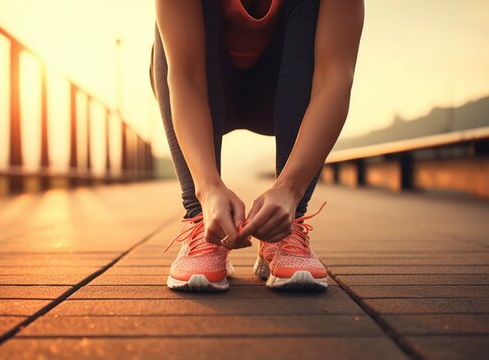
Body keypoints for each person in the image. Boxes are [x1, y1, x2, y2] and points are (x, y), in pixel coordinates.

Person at [150, 0, 363, 292]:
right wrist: (207, 189)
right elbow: (185, 76)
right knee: (168, 36)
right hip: (208, 88)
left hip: (282, 91)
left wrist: (290, 190)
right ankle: (201, 221)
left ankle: (286, 226)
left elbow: (334, 78)